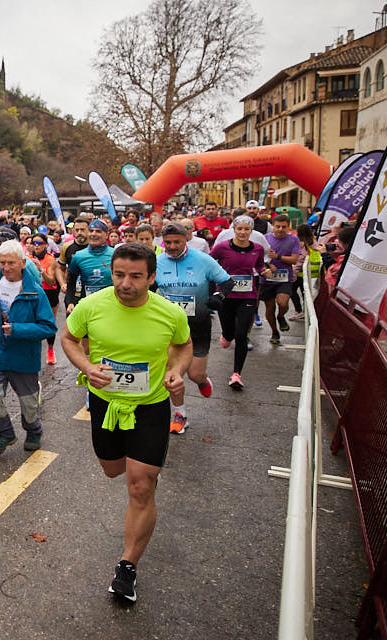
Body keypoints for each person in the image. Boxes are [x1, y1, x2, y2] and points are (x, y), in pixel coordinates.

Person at [60, 243, 192, 604]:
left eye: (136, 276)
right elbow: (69, 338)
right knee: (112, 470)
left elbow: (183, 346)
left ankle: (127, 566)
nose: (125, 283)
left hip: (150, 406)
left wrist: (177, 372)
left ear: (152, 277)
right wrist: (86, 367)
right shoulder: (92, 305)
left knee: (140, 485)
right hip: (105, 405)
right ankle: (136, 484)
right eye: (119, 274)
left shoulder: (169, 313)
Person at [0, 241, 57, 455]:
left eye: (11, 263)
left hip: (24, 357)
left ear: (22, 263)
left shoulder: (35, 293)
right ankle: (4, 434)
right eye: (2, 262)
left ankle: (33, 431)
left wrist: (17, 329)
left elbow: (48, 327)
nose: (6, 267)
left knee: (29, 403)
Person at [155, 223, 231, 434]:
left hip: (198, 325)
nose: (171, 246)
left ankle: (202, 380)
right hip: (169, 327)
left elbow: (226, 282)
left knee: (194, 375)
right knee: (173, 373)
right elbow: (148, 288)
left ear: (185, 239)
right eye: (167, 242)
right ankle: (180, 414)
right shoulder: (156, 262)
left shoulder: (203, 260)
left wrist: (218, 297)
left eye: (176, 242)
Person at [210, 215, 267, 389]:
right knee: (229, 332)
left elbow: (259, 266)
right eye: (239, 229)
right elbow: (209, 264)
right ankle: (227, 335)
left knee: (242, 334)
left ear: (251, 231)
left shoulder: (257, 248)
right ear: (233, 230)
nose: (243, 232)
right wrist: (224, 277)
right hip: (226, 295)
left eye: (246, 229)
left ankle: (236, 374)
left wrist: (265, 271)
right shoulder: (222, 248)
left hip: (248, 296)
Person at [260, 214, 302, 345]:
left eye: (283, 227)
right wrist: (267, 265)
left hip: (284, 278)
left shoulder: (293, 240)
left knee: (283, 303)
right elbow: (258, 258)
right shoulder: (264, 239)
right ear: (272, 226)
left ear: (288, 227)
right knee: (269, 308)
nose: (280, 229)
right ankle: (274, 332)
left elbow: (295, 259)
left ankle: (281, 316)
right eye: (277, 226)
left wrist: (278, 257)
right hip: (267, 279)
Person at [64, 219, 114, 315]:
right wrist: (70, 302)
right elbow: (71, 282)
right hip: (86, 305)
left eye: (98, 231)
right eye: (91, 231)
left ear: (107, 235)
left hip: (109, 305)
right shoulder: (79, 256)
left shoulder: (115, 254)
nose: (93, 234)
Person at [27, 234, 60, 364]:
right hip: (33, 292)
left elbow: (52, 282)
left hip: (49, 292)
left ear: (46, 244)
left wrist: (40, 270)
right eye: (34, 242)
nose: (36, 245)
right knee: (31, 322)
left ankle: (50, 350)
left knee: (49, 322)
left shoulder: (50, 259)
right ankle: (32, 351)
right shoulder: (27, 259)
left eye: (40, 243)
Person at [56, 216, 90, 299]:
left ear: (89, 230)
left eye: (82, 230)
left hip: (91, 291)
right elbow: (60, 268)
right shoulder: (67, 247)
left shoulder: (95, 247)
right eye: (77, 230)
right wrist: (62, 284)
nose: (79, 232)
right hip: (72, 291)